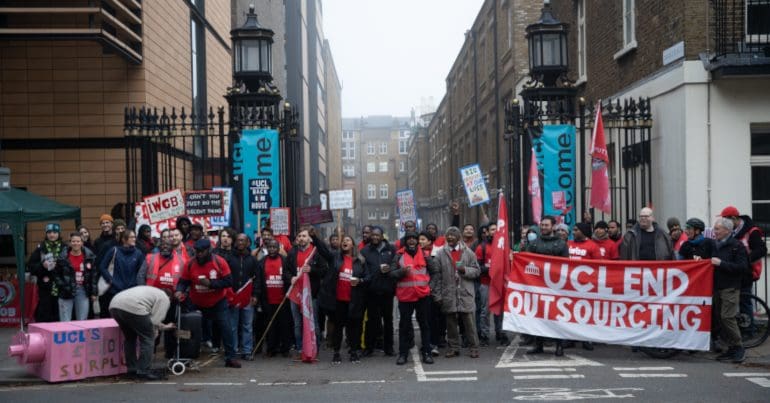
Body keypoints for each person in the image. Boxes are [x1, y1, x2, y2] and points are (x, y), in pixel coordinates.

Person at [175, 239, 241, 368]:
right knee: (189, 328)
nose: (199, 254)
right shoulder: (190, 264)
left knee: (226, 328)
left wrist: (210, 284)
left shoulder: (219, 262)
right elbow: (183, 281)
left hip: (218, 302)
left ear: (208, 250)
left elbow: (228, 282)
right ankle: (187, 355)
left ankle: (230, 357)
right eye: (197, 251)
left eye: (202, 251)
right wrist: (179, 291)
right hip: (196, 302)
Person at [720, 206, 768, 338]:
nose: (724, 224)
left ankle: (749, 331)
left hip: (747, 272)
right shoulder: (733, 231)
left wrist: (745, 259)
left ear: (734, 219)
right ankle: (740, 328)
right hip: (735, 271)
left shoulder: (752, 231)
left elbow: (761, 250)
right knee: (737, 301)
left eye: (726, 220)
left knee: (745, 301)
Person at [318, 235, 366, 364]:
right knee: (338, 328)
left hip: (354, 301)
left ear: (352, 245)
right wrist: (314, 237)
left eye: (348, 240)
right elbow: (322, 250)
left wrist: (360, 280)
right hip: (338, 301)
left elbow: (368, 277)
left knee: (353, 328)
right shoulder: (335, 258)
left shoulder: (360, 261)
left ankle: (354, 352)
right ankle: (336, 352)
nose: (345, 242)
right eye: (343, 241)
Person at [109, 286, 175, 380]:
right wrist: (154, 332)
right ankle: (143, 371)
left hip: (114, 305)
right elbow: (154, 321)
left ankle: (132, 369)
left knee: (130, 338)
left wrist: (164, 326)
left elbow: (146, 320)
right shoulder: (164, 298)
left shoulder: (151, 292)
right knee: (148, 339)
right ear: (170, 298)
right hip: (133, 307)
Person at [434, 226, 481, 358]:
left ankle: (474, 347)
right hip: (448, 293)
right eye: (448, 237)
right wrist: (437, 294)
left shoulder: (468, 253)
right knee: (451, 324)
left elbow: (477, 271)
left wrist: (464, 270)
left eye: (453, 237)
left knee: (469, 323)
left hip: (465, 293)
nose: (450, 239)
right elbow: (436, 276)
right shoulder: (440, 254)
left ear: (459, 238)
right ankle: (454, 348)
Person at [526, 216, 569, 356]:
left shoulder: (561, 244)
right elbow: (527, 261)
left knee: (557, 316)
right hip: (537, 285)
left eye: (546, 225)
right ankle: (538, 345)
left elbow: (566, 265)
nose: (543, 227)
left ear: (553, 227)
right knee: (538, 316)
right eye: (542, 225)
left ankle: (559, 345)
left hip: (555, 286)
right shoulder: (534, 244)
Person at [390, 231, 435, 365]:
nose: (411, 241)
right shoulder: (398, 255)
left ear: (417, 241)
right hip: (405, 296)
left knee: (425, 325)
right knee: (404, 326)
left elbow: (435, 272)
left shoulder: (426, 255)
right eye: (408, 239)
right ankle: (403, 354)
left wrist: (430, 287)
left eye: (414, 239)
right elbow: (391, 274)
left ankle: (427, 352)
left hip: (422, 295)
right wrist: (401, 272)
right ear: (405, 241)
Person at [285, 226, 329, 359]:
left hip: (312, 294)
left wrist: (312, 270)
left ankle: (314, 348)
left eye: (304, 236)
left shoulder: (316, 252)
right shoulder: (292, 253)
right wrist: (290, 278)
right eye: (299, 236)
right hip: (295, 293)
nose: (301, 239)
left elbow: (324, 270)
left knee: (313, 323)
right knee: (297, 324)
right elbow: (285, 271)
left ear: (309, 238)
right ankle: (300, 349)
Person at [711, 217, 749, 363]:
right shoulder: (716, 245)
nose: (715, 232)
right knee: (720, 318)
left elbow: (742, 267)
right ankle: (731, 348)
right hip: (717, 287)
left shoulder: (737, 246)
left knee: (727, 317)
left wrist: (721, 263)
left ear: (727, 230)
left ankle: (739, 347)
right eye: (714, 229)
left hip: (730, 287)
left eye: (717, 229)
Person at [359, 226, 397, 357]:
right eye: (373, 235)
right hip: (372, 291)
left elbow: (396, 265)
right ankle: (369, 347)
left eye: (377, 235)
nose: (375, 237)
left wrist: (390, 269)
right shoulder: (365, 251)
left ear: (382, 236)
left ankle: (389, 347)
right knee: (372, 320)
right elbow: (363, 269)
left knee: (388, 320)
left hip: (387, 291)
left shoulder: (391, 249)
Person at [225, 233, 260, 361]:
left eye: (243, 240)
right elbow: (225, 278)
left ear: (247, 243)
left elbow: (257, 279)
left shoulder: (253, 260)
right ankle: (232, 350)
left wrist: (255, 295)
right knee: (232, 326)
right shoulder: (228, 259)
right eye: (238, 240)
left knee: (247, 326)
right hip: (233, 297)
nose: (240, 242)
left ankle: (247, 350)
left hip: (247, 298)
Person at [257, 239, 292, 358]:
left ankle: (285, 348)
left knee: (284, 325)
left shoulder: (284, 261)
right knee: (270, 326)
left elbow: (288, 277)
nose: (272, 249)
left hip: (282, 300)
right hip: (267, 300)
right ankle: (271, 348)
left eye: (274, 247)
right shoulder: (262, 262)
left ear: (278, 248)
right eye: (270, 247)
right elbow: (258, 282)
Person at [99, 229, 147, 317]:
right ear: (124, 239)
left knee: (129, 318)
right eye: (131, 237)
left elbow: (142, 271)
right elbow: (102, 267)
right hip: (115, 290)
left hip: (131, 292)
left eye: (134, 237)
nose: (134, 239)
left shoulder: (138, 253)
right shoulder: (114, 250)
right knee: (115, 317)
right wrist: (110, 280)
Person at [54, 232, 96, 321]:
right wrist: (62, 286)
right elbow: (56, 274)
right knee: (65, 321)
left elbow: (93, 275)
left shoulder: (89, 256)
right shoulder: (62, 256)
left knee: (82, 320)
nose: (75, 243)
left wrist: (94, 292)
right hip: (66, 291)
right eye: (73, 241)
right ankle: (65, 335)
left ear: (82, 243)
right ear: (70, 243)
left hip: (83, 290)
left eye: (78, 241)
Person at [28, 223, 64, 322]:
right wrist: (42, 266)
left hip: (61, 287)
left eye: (55, 232)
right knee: (45, 313)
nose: (52, 235)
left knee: (60, 314)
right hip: (45, 287)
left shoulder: (65, 247)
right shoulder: (41, 248)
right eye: (49, 232)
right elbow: (31, 266)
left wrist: (60, 265)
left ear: (59, 233)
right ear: (46, 234)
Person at [420, 230, 446, 355]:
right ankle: (426, 343)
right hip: (420, 291)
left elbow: (438, 273)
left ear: (430, 241)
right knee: (424, 319)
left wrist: (433, 288)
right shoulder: (416, 253)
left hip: (433, 291)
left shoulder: (437, 253)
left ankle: (434, 343)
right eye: (419, 239)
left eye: (423, 239)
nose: (420, 242)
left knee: (434, 319)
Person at [475, 223, 496, 346]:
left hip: (499, 283)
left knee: (500, 311)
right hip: (486, 283)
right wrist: (491, 270)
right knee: (485, 310)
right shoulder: (481, 248)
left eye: (497, 229)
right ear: (487, 232)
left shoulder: (503, 246)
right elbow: (478, 267)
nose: (495, 231)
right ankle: (485, 335)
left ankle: (500, 333)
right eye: (492, 229)